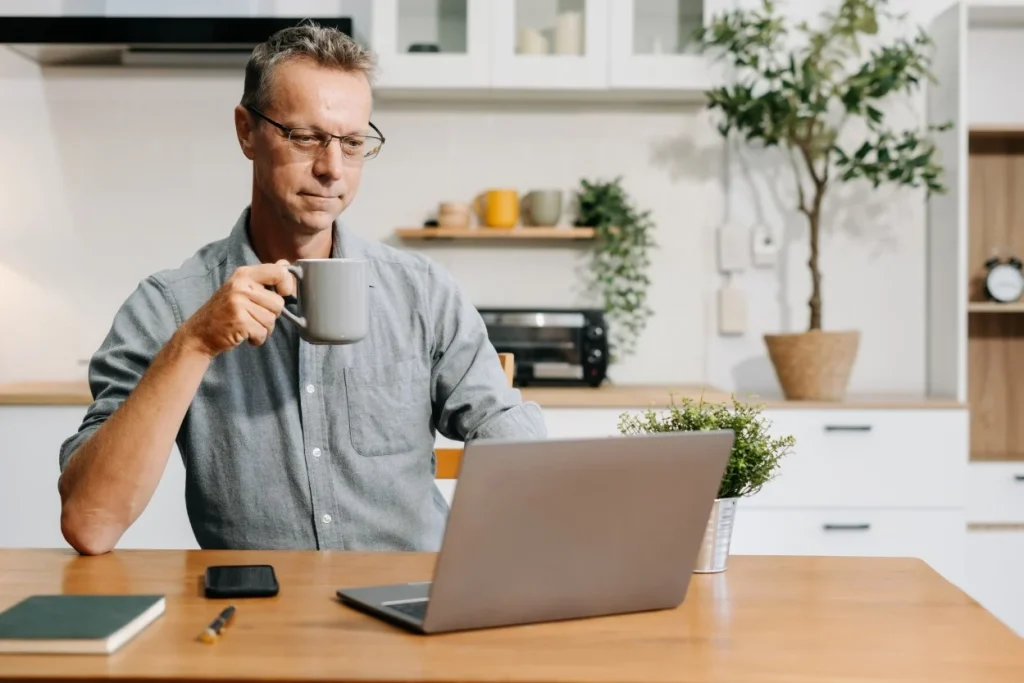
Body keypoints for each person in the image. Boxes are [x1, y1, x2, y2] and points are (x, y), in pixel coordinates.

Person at [56, 22, 546, 556]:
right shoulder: (170, 304)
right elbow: (90, 523)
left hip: (406, 608)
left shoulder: (421, 293)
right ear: (247, 131)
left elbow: (504, 434)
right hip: (257, 613)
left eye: (353, 143)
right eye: (306, 137)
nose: (332, 169)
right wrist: (194, 344)